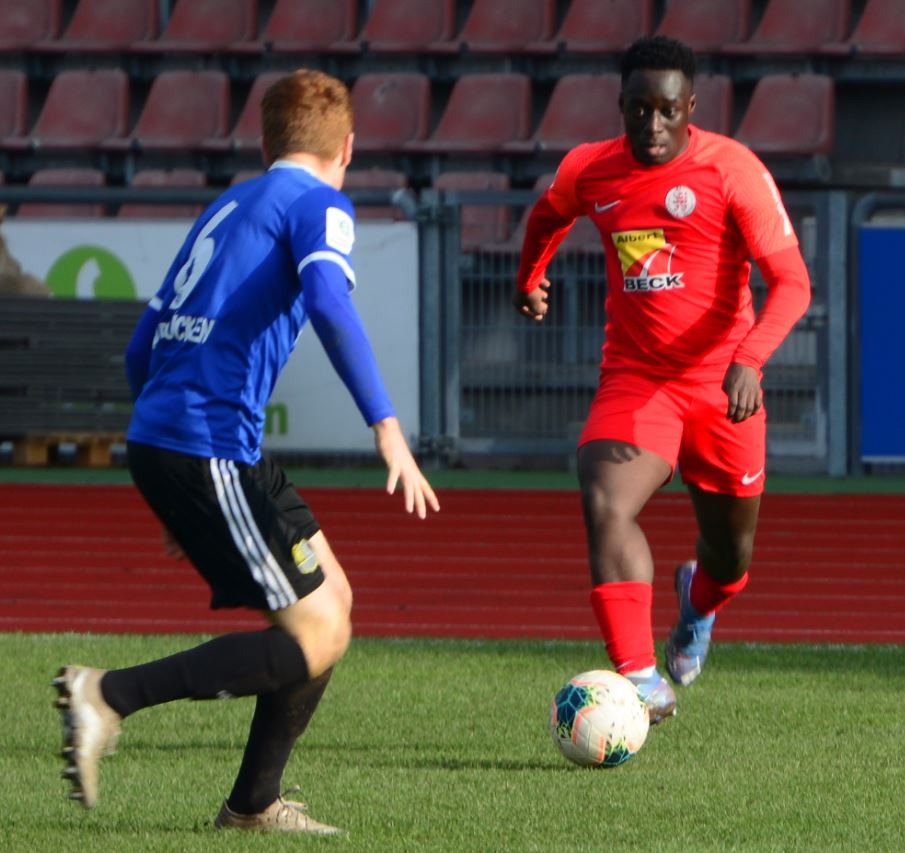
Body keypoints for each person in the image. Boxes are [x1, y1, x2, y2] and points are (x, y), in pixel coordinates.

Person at [52, 68, 439, 834]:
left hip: (198, 442)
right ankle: (107, 695)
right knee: (315, 633)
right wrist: (386, 423)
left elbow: (141, 346)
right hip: (207, 442)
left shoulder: (228, 204)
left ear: (264, 143)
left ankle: (253, 804)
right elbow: (329, 300)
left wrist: (171, 476)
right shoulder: (319, 204)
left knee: (335, 601)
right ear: (348, 147)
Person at [512, 36, 811, 724]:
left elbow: (792, 283)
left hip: (722, 389)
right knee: (604, 500)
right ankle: (639, 675)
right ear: (619, 106)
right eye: (638, 109)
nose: (651, 125)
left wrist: (749, 357)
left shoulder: (730, 169)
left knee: (729, 557)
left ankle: (696, 606)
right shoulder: (590, 169)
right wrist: (528, 279)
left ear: (689, 109)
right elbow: (545, 217)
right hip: (637, 378)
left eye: (666, 110)